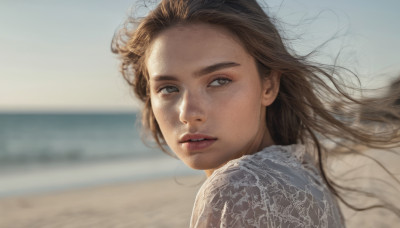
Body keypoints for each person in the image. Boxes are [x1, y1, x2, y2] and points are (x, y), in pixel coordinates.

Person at [112, 0, 400, 227]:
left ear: (268, 84)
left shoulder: (240, 189)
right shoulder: (299, 167)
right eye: (168, 88)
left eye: (219, 81)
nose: (189, 113)